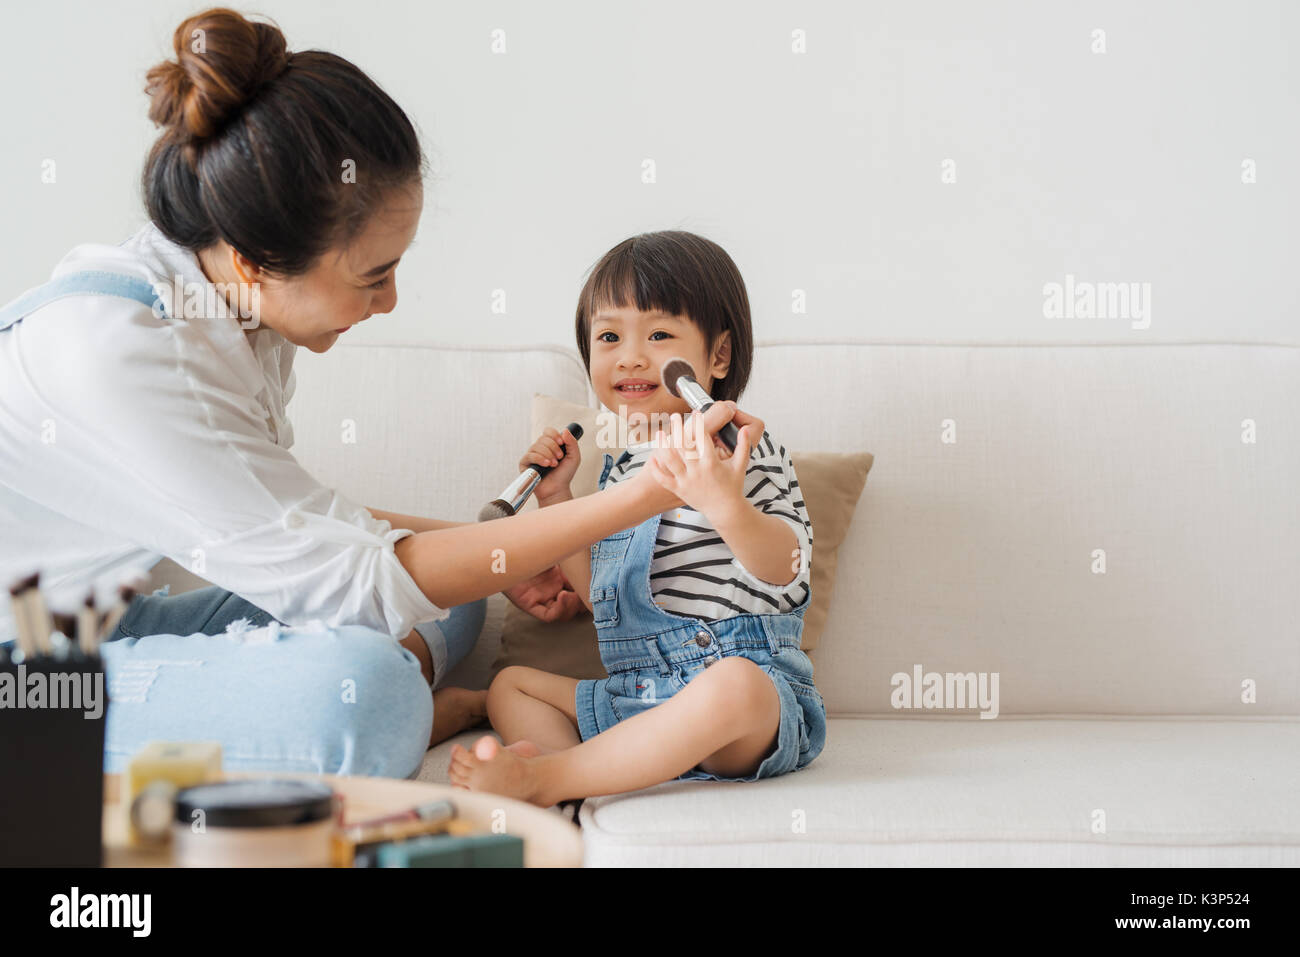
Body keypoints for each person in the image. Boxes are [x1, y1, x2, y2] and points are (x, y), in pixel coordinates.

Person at [0, 10, 760, 780]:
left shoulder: (232, 303)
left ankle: (332, 694)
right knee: (372, 692)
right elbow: (353, 576)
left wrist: (504, 557)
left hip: (105, 619)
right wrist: (648, 494)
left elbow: (308, 526)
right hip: (26, 670)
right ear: (258, 260)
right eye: (372, 275)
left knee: (457, 593)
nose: (391, 300)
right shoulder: (124, 356)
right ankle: (412, 704)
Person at [449, 231, 827, 805]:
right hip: (639, 695)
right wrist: (557, 499)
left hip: (741, 703)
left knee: (736, 687)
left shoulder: (740, 444)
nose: (629, 355)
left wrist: (726, 504)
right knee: (512, 685)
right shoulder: (619, 470)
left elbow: (788, 569)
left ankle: (548, 779)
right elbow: (604, 595)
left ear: (717, 356)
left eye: (658, 334)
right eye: (609, 336)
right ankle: (576, 777)